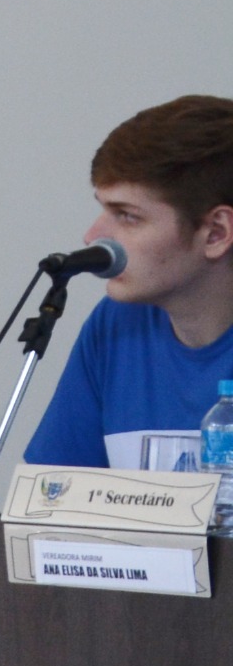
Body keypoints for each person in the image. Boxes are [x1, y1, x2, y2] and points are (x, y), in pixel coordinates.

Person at [25, 95, 233, 470]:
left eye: (127, 216)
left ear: (216, 233)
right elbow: (51, 494)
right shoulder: (115, 325)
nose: (93, 236)